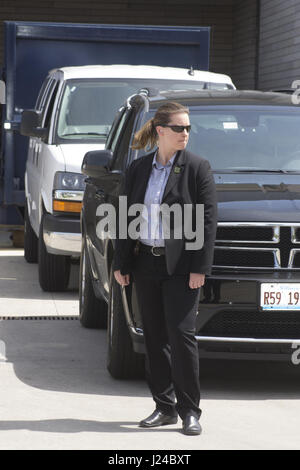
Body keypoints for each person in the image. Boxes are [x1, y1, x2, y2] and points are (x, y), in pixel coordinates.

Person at [113, 101, 217, 435]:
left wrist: (200, 266)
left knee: (182, 336)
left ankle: (190, 411)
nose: (185, 133)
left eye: (188, 128)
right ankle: (164, 406)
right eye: (179, 128)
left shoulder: (197, 168)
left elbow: (207, 221)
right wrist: (122, 262)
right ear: (161, 131)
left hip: (182, 268)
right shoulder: (139, 169)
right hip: (145, 263)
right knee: (154, 338)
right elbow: (126, 216)